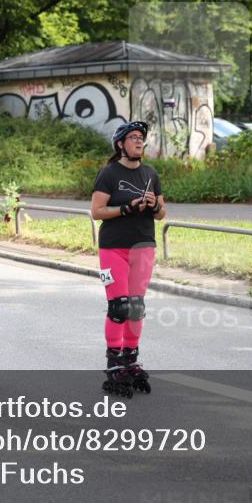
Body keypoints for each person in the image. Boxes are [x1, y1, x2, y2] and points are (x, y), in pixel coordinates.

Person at [90, 121, 166, 397]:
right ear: (121, 144)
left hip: (143, 245)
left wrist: (153, 205)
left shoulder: (150, 173)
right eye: (132, 137)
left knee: (135, 307)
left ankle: (131, 359)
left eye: (141, 137)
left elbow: (161, 213)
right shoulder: (109, 173)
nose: (138, 141)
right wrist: (126, 208)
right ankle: (114, 363)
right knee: (119, 306)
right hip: (114, 248)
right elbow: (97, 211)